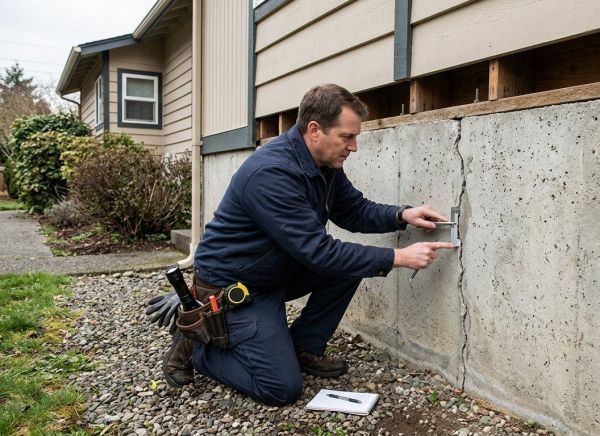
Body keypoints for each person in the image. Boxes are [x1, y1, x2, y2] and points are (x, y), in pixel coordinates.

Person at [149, 84, 454, 406]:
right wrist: (398, 257)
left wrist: (402, 214)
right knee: (280, 388)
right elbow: (319, 253)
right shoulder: (271, 173)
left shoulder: (322, 164)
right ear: (314, 130)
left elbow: (353, 210)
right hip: (235, 287)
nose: (354, 147)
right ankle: (198, 345)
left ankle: (303, 348)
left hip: (275, 271)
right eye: (347, 137)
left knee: (352, 266)